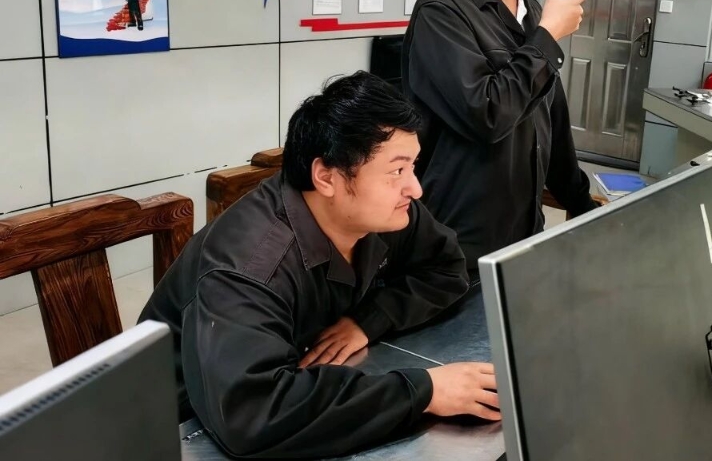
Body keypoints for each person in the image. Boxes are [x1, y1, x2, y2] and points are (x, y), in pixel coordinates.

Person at [138, 71, 500, 459]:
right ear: (326, 177)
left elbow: (446, 268)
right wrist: (424, 392)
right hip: (179, 427)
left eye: (413, 166)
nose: (415, 188)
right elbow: (251, 415)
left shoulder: (381, 212)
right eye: (397, 170)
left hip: (292, 377)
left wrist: (368, 320)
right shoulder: (250, 267)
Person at [401, 0, 598, 269]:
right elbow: (487, 114)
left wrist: (581, 203)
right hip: (458, 243)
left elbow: (551, 120)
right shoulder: (442, 11)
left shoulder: (534, 14)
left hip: (523, 233)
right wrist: (546, 38)